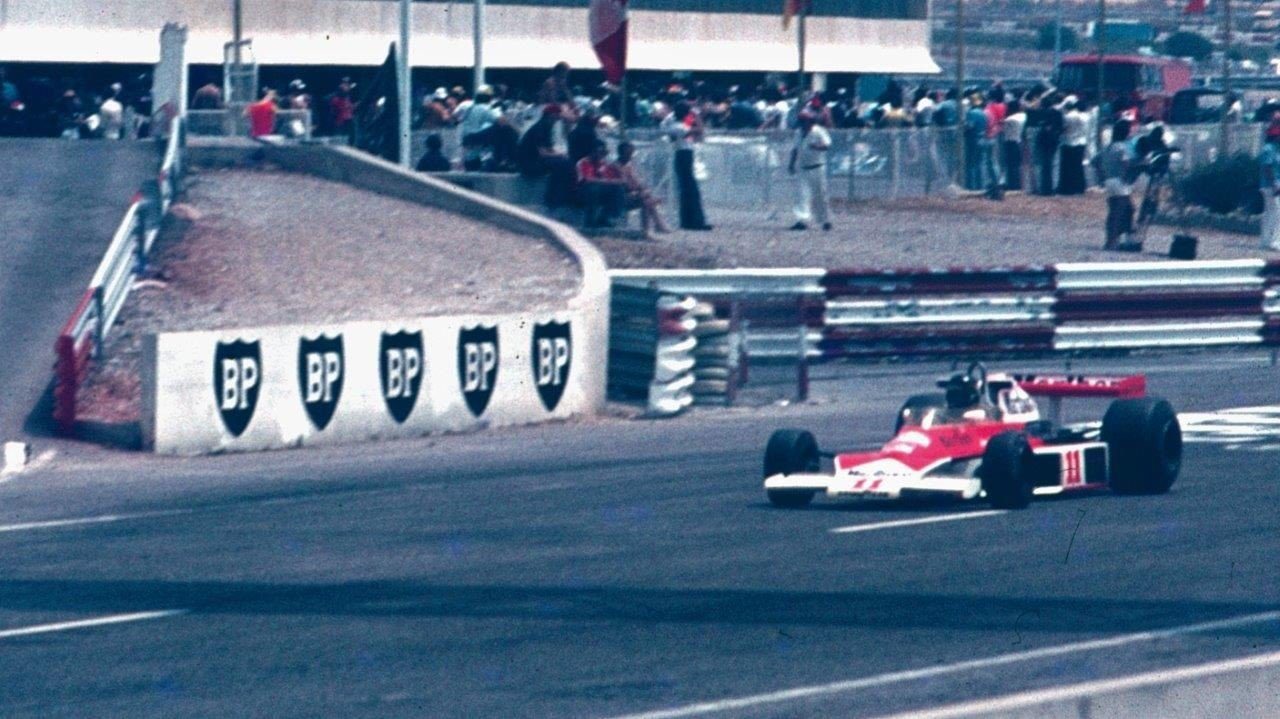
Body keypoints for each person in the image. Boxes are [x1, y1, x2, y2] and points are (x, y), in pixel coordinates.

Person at [662, 101, 712, 230]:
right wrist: (696, 115)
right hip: (683, 155)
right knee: (690, 190)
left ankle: (689, 221)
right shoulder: (678, 127)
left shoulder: (673, 124)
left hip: (684, 155)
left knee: (688, 190)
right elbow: (700, 130)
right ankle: (694, 222)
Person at [517, 104, 576, 208]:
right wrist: (559, 155)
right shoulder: (540, 128)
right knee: (562, 164)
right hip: (530, 164)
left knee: (566, 163)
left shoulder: (546, 127)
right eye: (557, 115)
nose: (558, 118)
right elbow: (543, 153)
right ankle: (552, 198)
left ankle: (563, 196)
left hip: (536, 160)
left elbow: (549, 148)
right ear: (551, 115)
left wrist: (559, 154)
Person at [611, 141, 671, 237]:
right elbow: (626, 185)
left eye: (631, 154)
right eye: (628, 154)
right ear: (621, 153)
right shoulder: (616, 166)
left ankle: (647, 229)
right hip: (618, 198)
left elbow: (636, 182)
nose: (630, 157)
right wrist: (639, 189)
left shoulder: (628, 165)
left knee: (646, 201)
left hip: (630, 195)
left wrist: (642, 189)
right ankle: (655, 226)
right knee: (647, 200)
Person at [788, 110, 833, 231]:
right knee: (802, 195)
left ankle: (825, 220)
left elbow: (827, 145)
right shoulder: (798, 133)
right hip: (803, 168)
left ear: (810, 121)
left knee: (820, 195)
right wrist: (791, 164)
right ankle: (802, 220)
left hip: (817, 167)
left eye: (803, 121)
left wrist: (816, 147)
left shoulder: (818, 131)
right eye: (800, 121)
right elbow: (795, 149)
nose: (801, 124)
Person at [1101, 120, 1136, 250]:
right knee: (1119, 212)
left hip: (1109, 181)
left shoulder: (1109, 146)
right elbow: (1126, 163)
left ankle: (1114, 238)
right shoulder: (1122, 147)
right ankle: (1112, 240)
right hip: (1120, 181)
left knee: (1120, 210)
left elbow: (1096, 161)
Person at [576, 140, 626, 227]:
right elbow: (586, 179)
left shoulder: (603, 164)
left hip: (600, 191)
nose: (601, 155)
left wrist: (618, 170)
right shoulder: (582, 163)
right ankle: (590, 220)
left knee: (618, 189)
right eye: (599, 152)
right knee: (593, 189)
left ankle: (605, 217)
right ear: (592, 151)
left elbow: (619, 179)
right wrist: (608, 181)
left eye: (603, 152)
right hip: (584, 192)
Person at [457, 85, 500, 171]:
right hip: (478, 150)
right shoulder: (485, 109)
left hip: (467, 147)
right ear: (489, 98)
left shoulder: (470, 108)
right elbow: (500, 122)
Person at [1058, 96, 1088, 195]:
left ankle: (1069, 188)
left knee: (1069, 167)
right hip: (1081, 142)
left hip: (1069, 142)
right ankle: (1080, 187)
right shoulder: (1084, 116)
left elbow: (1064, 128)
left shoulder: (1068, 116)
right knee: (1078, 167)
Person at [1259, 121, 1280, 251]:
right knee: (1276, 213)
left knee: (1270, 212)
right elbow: (1267, 167)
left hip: (1272, 184)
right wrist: (1275, 184)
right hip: (1271, 185)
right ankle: (1274, 241)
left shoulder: (1275, 148)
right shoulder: (1269, 149)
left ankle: (1266, 240)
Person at [1001, 99, 1026, 192]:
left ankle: (1012, 184)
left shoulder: (1010, 119)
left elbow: (1004, 130)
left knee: (1011, 165)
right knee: (1016, 165)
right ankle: (1017, 184)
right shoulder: (1022, 116)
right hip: (1018, 141)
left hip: (1010, 142)